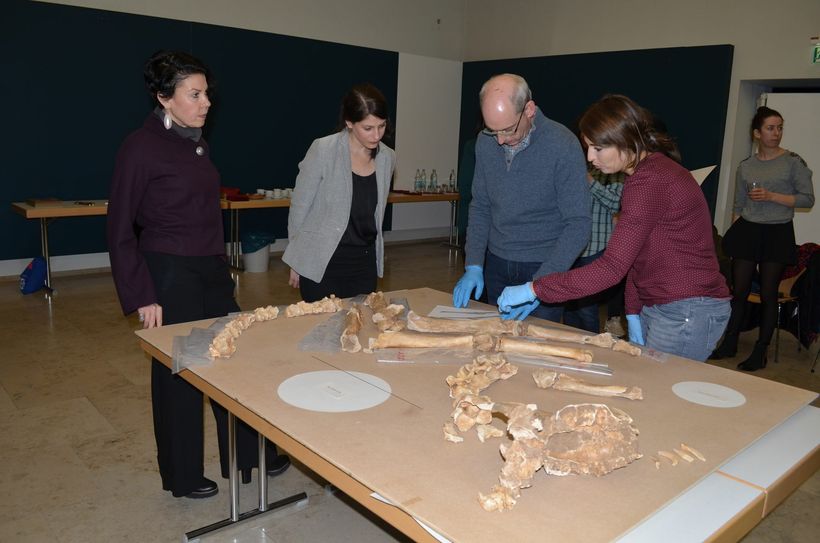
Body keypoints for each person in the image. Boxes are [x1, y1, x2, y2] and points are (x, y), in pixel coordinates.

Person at [107, 50, 289, 499]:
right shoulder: (140, 147)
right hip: (168, 272)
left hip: (209, 268)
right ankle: (183, 474)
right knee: (179, 372)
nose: (206, 102)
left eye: (207, 93)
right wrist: (142, 294)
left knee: (232, 358)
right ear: (164, 97)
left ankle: (248, 455)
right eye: (195, 94)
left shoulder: (197, 142)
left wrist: (221, 270)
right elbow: (119, 227)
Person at [497, 94, 731, 362]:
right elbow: (637, 257)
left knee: (658, 388)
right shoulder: (650, 173)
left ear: (625, 140)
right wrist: (632, 310)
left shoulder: (649, 181)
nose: (590, 157)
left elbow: (611, 268)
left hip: (685, 308)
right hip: (667, 304)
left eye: (597, 148)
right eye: (588, 147)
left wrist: (534, 289)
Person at [452, 73, 591, 321]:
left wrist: (540, 285)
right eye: (492, 130)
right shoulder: (485, 142)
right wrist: (474, 264)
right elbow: (481, 206)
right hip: (496, 263)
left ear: (529, 110)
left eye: (507, 130)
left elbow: (578, 224)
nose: (500, 140)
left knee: (537, 341)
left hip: (544, 264)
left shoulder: (563, 145)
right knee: (499, 339)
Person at [710, 106, 814, 371]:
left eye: (780, 128)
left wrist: (772, 196)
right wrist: (735, 235)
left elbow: (807, 199)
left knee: (768, 293)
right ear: (757, 133)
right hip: (748, 230)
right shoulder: (746, 166)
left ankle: (760, 351)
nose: (776, 133)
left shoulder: (793, 162)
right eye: (770, 128)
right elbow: (738, 204)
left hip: (777, 232)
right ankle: (729, 342)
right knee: (739, 291)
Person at [283, 83, 396, 302]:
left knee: (361, 320)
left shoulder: (387, 157)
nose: (376, 135)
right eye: (368, 128)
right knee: (321, 322)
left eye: (381, 126)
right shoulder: (323, 149)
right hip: (322, 261)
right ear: (349, 123)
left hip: (364, 263)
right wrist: (296, 260)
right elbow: (300, 207)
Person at [562, 166, 625, 333]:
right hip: (573, 247)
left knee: (586, 308)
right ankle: (569, 343)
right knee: (569, 305)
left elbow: (615, 204)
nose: (592, 157)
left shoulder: (617, 175)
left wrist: (589, 181)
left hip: (595, 248)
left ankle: (593, 344)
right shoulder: (588, 171)